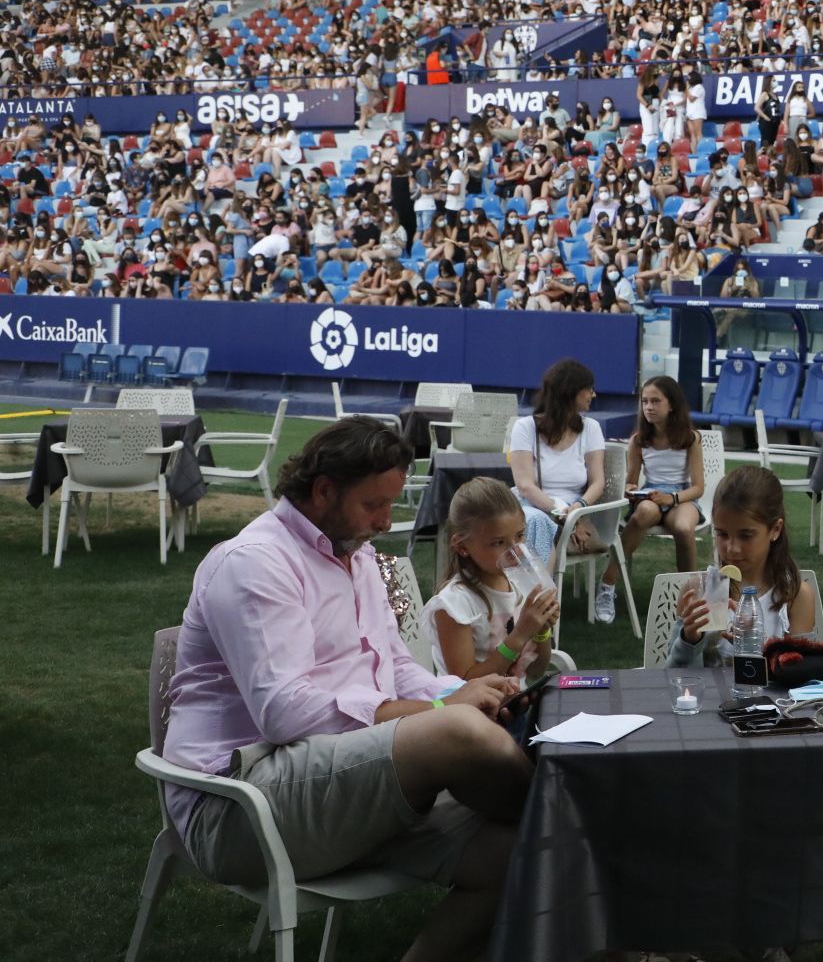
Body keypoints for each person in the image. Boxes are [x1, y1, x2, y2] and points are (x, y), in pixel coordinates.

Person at [163, 418, 528, 961]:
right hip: (237, 803)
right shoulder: (255, 562)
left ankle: (562, 814)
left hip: (340, 780)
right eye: (373, 505)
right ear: (323, 491)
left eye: (391, 504)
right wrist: (441, 708)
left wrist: (473, 689)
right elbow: (285, 714)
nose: (384, 522)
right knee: (460, 734)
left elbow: (398, 669)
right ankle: (569, 804)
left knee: (521, 851)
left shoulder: (355, 556)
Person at [667, 464, 817, 666]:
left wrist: (760, 649)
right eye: (722, 534)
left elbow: (801, 678)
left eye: (745, 535)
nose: (732, 548)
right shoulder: (698, 590)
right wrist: (689, 641)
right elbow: (674, 679)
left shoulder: (794, 596)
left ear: (775, 529)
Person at [427, 477, 561, 680]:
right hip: (470, 710)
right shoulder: (454, 605)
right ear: (463, 547)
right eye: (499, 542)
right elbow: (465, 684)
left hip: (515, 705)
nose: (515, 550)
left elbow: (536, 671)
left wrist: (541, 630)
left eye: (520, 535)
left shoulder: (520, 587)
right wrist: (519, 636)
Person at [610, 376, 708, 605]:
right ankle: (608, 582)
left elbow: (698, 488)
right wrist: (630, 488)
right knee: (644, 513)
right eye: (645, 401)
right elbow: (632, 482)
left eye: (655, 401)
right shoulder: (638, 440)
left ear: (671, 404)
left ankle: (689, 593)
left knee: (683, 528)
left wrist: (672, 498)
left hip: (681, 496)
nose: (649, 407)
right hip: (651, 495)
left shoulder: (690, 439)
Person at [507, 357, 606, 567]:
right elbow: (525, 486)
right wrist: (564, 516)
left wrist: (577, 511)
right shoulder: (525, 427)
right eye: (588, 389)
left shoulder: (591, 428)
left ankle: (535, 594)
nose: (593, 394)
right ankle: (543, 593)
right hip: (531, 504)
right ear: (570, 392)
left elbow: (598, 482)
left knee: (536, 523)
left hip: (575, 508)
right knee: (535, 520)